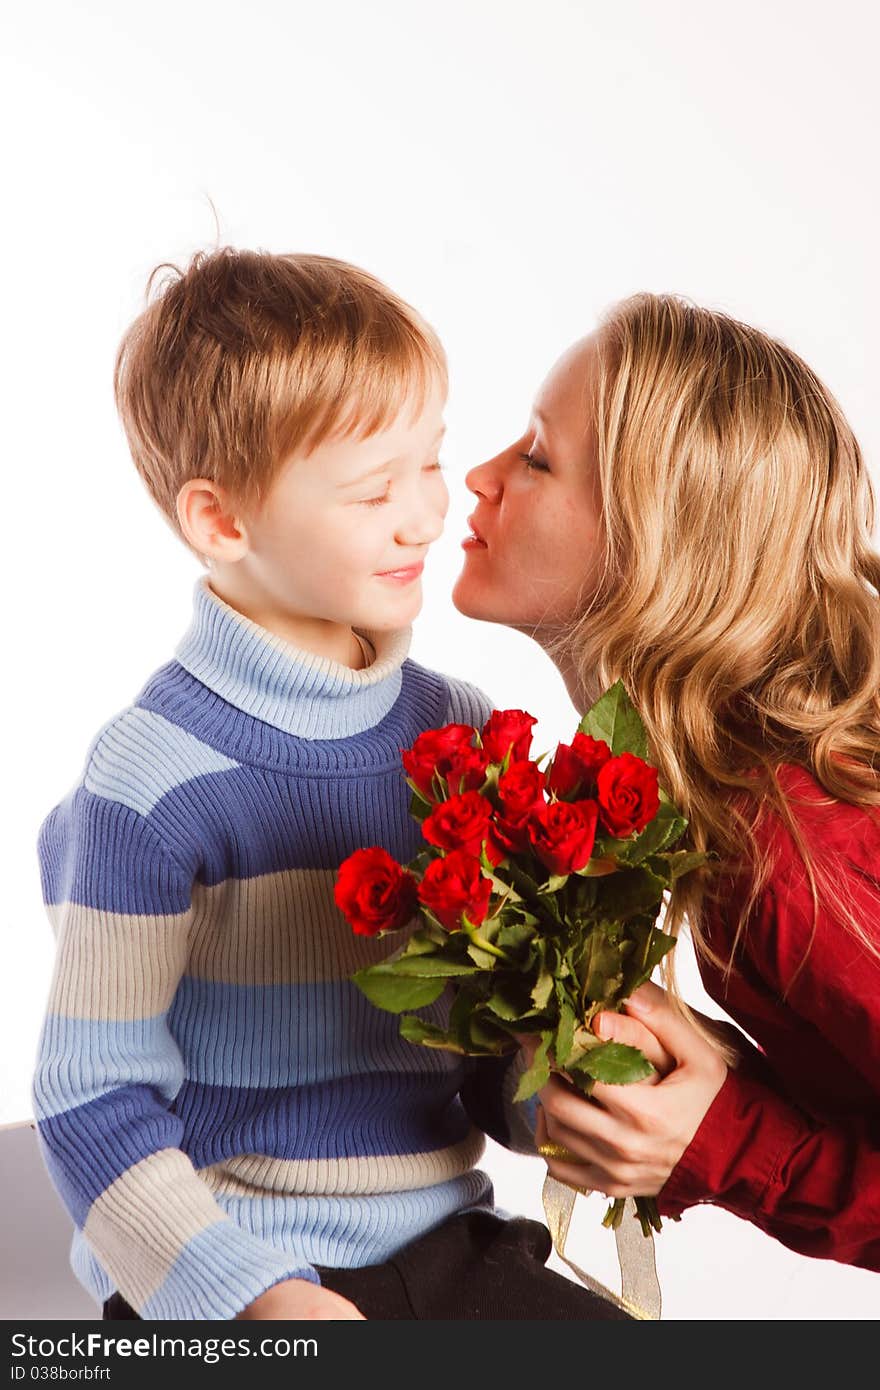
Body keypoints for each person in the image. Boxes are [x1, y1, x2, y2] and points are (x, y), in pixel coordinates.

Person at [32, 248, 630, 1321]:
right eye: (373, 490)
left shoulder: (458, 732)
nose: (425, 515)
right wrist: (252, 1295)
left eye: (430, 463)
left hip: (449, 1247)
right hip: (229, 1266)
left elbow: (476, 1040)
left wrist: (560, 1094)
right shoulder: (151, 778)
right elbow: (89, 1094)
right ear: (222, 522)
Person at [453, 292, 880, 1272]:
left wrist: (730, 1141)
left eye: (535, 458)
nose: (476, 479)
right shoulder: (714, 800)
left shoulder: (789, 858)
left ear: (652, 545)